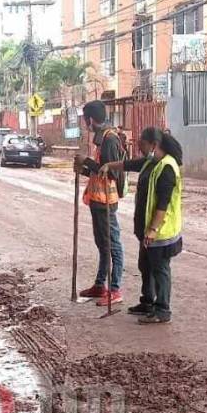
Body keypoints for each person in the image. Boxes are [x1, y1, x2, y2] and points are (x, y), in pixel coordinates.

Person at [101, 128, 183, 324]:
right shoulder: (150, 161)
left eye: (143, 147)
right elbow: (129, 164)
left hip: (161, 231)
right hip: (147, 229)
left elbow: (162, 204)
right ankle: (147, 301)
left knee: (160, 269)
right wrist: (108, 166)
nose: (141, 151)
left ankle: (162, 309)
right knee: (145, 266)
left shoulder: (167, 167)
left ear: (154, 145)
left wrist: (153, 229)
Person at [73, 100, 127, 307]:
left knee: (113, 245)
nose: (85, 123)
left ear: (91, 120)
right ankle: (100, 284)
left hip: (106, 202)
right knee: (102, 244)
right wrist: (84, 169)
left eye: (85, 120)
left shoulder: (110, 139)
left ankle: (115, 289)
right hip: (97, 200)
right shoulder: (102, 139)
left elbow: (112, 171)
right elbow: (99, 172)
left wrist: (87, 161)